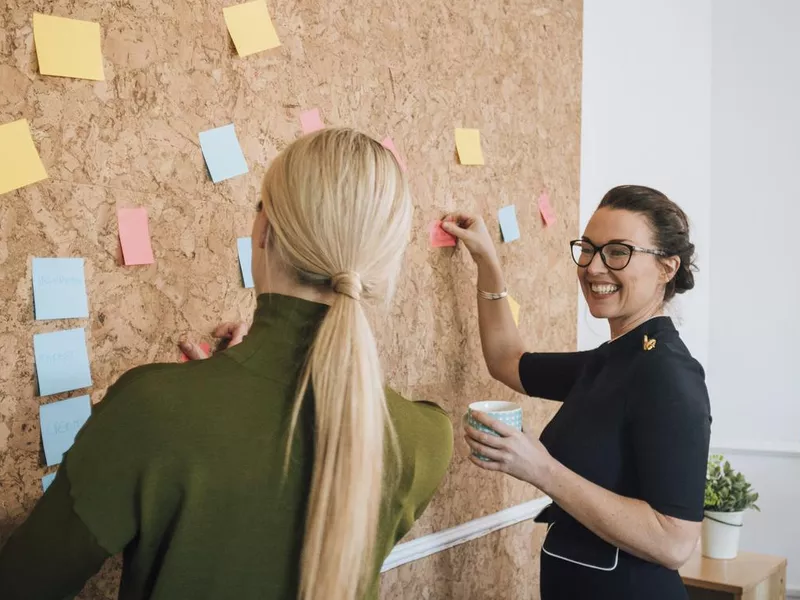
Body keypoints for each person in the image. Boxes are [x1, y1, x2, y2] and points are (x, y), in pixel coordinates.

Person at [0, 128, 453, 600]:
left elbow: (20, 585)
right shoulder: (426, 441)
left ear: (264, 231)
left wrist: (210, 393)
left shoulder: (150, 409)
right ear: (384, 263)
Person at [444, 185, 711, 600]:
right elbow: (507, 361)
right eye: (588, 249)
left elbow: (674, 542)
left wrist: (540, 469)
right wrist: (486, 261)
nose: (594, 267)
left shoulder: (668, 374)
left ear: (666, 268)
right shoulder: (611, 360)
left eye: (618, 252)